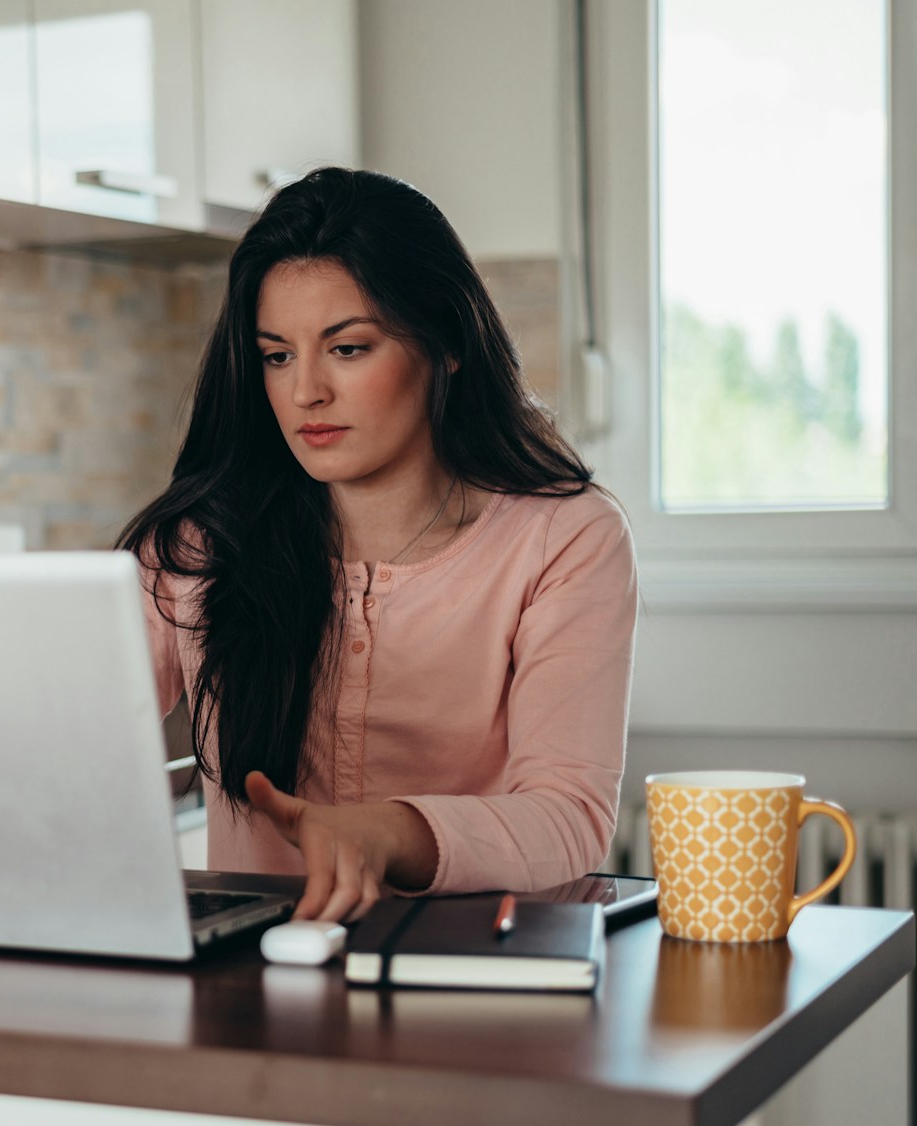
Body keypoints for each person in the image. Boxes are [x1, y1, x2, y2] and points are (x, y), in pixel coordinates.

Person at [121, 167, 636, 924]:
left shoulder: (565, 538)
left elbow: (568, 817)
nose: (306, 393)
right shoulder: (197, 544)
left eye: (349, 348)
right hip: (255, 985)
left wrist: (388, 832)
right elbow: (70, 737)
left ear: (447, 343)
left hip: (472, 980)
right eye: (277, 355)